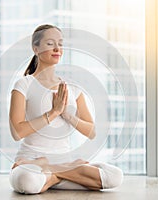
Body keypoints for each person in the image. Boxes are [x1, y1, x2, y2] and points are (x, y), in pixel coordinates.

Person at [9, 24, 123, 194]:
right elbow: (17, 132)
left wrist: (67, 115)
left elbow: (91, 132)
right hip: (31, 161)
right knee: (27, 181)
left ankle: (52, 170)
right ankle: (66, 172)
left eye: (60, 44)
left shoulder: (72, 87)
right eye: (50, 43)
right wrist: (53, 113)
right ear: (35, 48)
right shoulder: (24, 84)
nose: (57, 48)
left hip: (58, 162)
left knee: (115, 176)